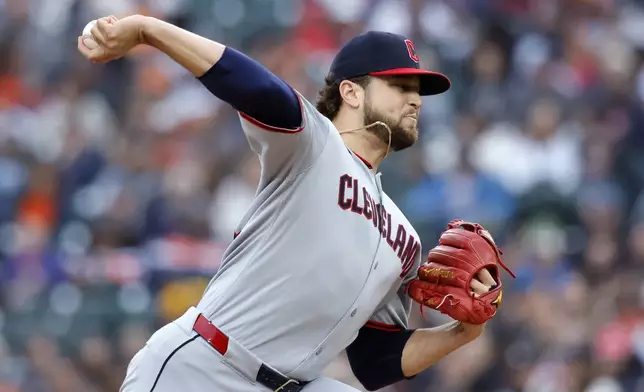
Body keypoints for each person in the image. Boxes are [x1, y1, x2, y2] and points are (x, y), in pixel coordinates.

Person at [77, 15, 495, 392]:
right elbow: (256, 87)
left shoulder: (404, 237)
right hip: (204, 367)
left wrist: (463, 333)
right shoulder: (313, 145)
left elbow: (375, 362)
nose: (416, 100)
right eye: (400, 86)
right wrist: (150, 30)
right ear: (350, 91)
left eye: (418, 90)